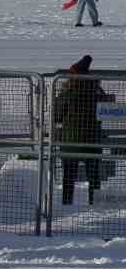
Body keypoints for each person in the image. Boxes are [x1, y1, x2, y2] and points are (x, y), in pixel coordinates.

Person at [54, 55, 109, 206]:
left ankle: (66, 203)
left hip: (70, 142)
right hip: (93, 141)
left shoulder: (67, 94)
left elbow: (57, 117)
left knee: (68, 176)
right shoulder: (96, 93)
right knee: (93, 176)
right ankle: (95, 204)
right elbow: (107, 109)